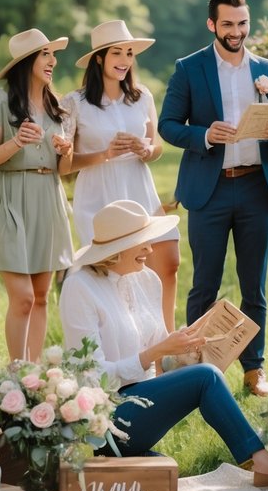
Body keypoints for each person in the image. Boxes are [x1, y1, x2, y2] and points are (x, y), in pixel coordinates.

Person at [59, 199, 268, 484]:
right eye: (141, 242)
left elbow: (160, 357)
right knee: (206, 378)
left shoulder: (147, 279)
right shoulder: (79, 287)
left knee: (204, 374)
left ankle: (132, 457)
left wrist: (186, 346)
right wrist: (158, 351)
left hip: (141, 399)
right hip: (102, 414)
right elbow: (92, 378)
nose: (150, 249)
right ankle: (260, 461)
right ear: (116, 249)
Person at [158, 0, 268, 397]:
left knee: (253, 285)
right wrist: (203, 134)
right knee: (205, 283)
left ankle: (254, 370)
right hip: (210, 189)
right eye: (227, 25)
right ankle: (198, 370)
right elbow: (168, 124)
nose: (236, 32)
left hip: (257, 187)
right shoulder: (189, 68)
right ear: (212, 25)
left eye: (242, 24)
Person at [60, 20, 180, 329]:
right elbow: (63, 165)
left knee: (167, 263)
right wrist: (104, 154)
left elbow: (157, 146)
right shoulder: (75, 103)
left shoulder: (142, 98)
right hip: (98, 196)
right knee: (114, 277)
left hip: (139, 187)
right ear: (99, 58)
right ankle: (122, 348)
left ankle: (165, 345)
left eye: (129, 53)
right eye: (117, 53)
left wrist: (145, 149)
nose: (125, 60)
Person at [0, 28, 74, 363]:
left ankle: (35, 377)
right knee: (23, 298)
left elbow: (64, 170)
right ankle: (17, 375)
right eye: (46, 54)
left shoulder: (56, 105)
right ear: (27, 61)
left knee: (43, 296)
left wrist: (67, 150)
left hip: (49, 197)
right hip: (12, 198)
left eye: (52, 54)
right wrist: (17, 141)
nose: (53, 61)